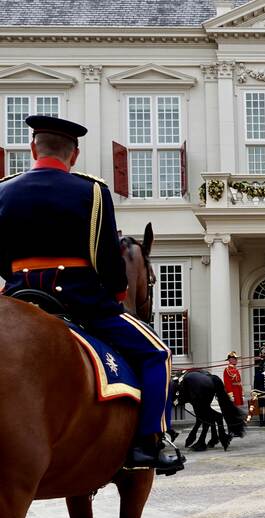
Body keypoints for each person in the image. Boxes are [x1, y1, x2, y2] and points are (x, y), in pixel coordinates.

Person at [0, 115, 183, 473]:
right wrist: (116, 293)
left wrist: (18, 278)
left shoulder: (3, 190)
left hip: (19, 295)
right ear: (75, 155)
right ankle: (150, 442)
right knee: (157, 354)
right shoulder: (92, 191)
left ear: (33, 148)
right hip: (78, 299)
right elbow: (105, 258)